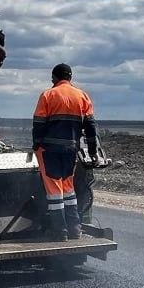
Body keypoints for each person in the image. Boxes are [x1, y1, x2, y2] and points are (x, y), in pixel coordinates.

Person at [32, 64, 100, 240]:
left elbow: (38, 122)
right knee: (68, 189)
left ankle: (59, 231)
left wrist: (37, 143)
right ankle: (75, 229)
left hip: (50, 150)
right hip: (71, 149)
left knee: (54, 191)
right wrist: (93, 150)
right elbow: (91, 126)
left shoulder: (48, 95)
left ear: (54, 78)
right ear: (70, 78)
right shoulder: (82, 96)